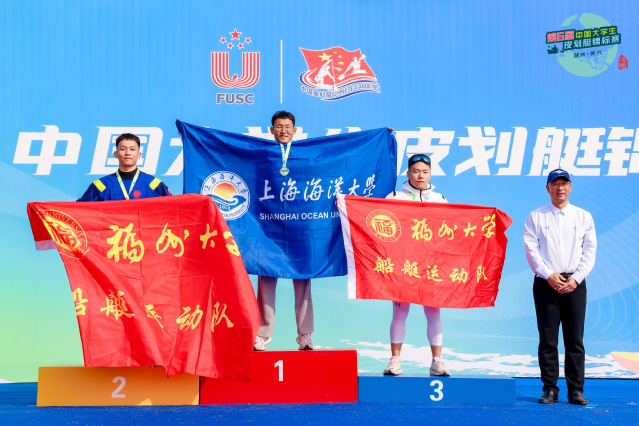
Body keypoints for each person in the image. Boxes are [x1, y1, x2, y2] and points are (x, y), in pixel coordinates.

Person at [524, 169, 596, 405]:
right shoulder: (536, 216)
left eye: (564, 183)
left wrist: (576, 278)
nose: (560, 188)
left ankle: (576, 390)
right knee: (548, 339)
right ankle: (550, 389)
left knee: (575, 339)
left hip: (575, 283)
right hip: (546, 283)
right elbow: (531, 251)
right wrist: (549, 275)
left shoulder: (583, 216)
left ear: (570, 187)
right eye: (555, 184)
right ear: (548, 188)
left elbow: (590, 251)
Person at [382, 153, 450, 377]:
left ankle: (437, 362)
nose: (421, 176)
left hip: (431, 265)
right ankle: (395, 361)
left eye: (425, 172)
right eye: (416, 171)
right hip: (403, 265)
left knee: (434, 313)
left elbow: (449, 231)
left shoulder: (440, 198)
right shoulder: (394, 197)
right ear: (408, 173)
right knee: (400, 312)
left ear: (431, 174)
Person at [254, 111, 314, 351]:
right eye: (278, 126)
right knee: (266, 279)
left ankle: (305, 335)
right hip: (269, 228)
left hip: (299, 226)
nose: (283, 130)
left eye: (287, 126)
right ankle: (262, 334)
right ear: (271, 130)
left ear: (295, 130)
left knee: (304, 279)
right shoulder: (262, 155)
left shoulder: (304, 156)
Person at [78, 133, 171, 201]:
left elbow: (173, 208)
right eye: (123, 149)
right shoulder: (101, 185)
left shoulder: (154, 185)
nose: (127, 153)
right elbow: (80, 211)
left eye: (132, 149)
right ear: (116, 154)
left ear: (139, 154)